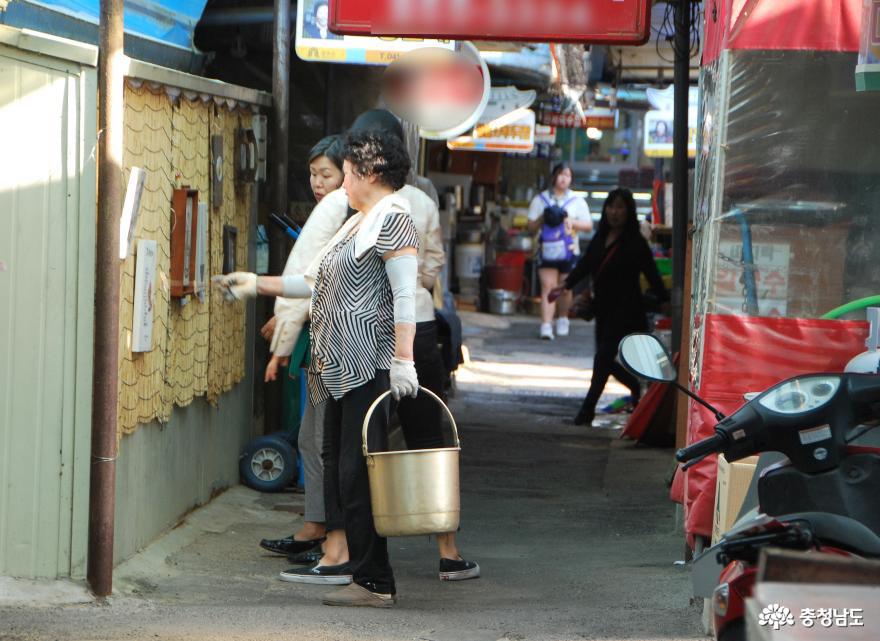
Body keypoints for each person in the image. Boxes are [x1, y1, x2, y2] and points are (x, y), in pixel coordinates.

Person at [216, 129, 420, 607]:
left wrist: (405, 360)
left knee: (357, 471)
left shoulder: (394, 219)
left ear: (369, 171)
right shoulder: (358, 221)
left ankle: (375, 581)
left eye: (347, 171)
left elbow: (406, 297)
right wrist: (254, 285)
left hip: (369, 365)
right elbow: (310, 280)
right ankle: (360, 572)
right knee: (339, 470)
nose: (341, 181)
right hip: (337, 368)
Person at [257, 135, 345, 563]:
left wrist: (292, 317)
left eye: (325, 174)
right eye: (312, 174)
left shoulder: (350, 216)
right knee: (312, 437)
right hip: (318, 345)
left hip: (342, 348)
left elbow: (326, 284)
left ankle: (334, 538)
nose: (317, 182)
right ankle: (316, 524)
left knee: (327, 439)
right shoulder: (327, 214)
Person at [548, 188, 667, 426]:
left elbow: (652, 275)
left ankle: (586, 412)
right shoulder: (601, 237)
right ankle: (634, 387)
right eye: (611, 206)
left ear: (629, 211)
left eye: (620, 207)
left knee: (603, 358)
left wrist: (666, 300)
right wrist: (565, 285)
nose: (615, 212)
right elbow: (585, 265)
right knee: (604, 359)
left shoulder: (635, 242)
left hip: (627, 310)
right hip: (603, 309)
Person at [527, 163, 592, 341]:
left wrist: (571, 221)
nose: (564, 178)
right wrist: (543, 218)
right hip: (546, 250)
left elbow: (588, 225)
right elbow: (530, 226)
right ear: (554, 176)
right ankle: (546, 324)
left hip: (568, 251)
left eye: (568, 175)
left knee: (564, 287)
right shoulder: (540, 200)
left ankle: (563, 318)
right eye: (561, 174)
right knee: (548, 287)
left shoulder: (577, 201)